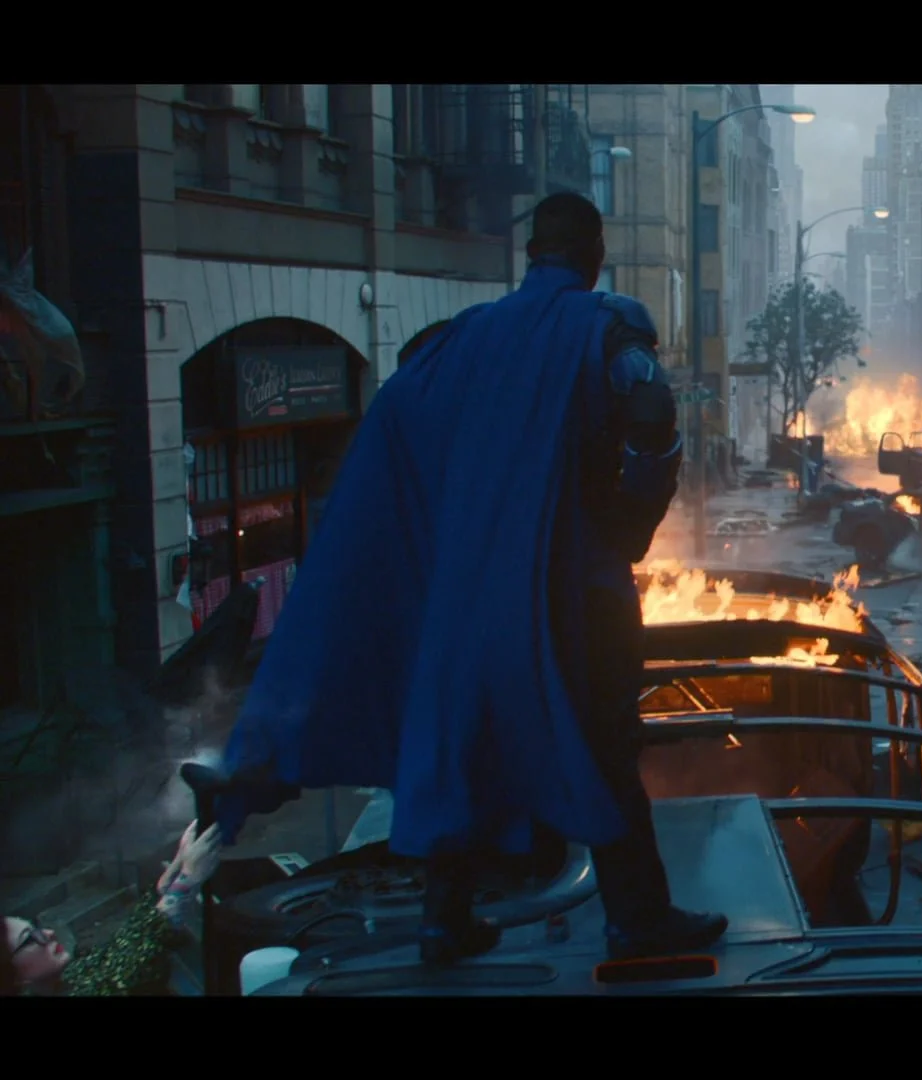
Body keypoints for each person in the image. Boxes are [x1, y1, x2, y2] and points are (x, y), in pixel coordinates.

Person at [212, 191, 726, 967]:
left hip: (468, 604)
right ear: (594, 257)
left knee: (464, 747)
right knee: (607, 748)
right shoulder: (607, 329)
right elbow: (652, 419)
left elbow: (395, 424)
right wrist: (628, 528)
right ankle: (637, 919)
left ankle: (443, 921)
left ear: (530, 255)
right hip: (576, 599)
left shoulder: (460, 339)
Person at [5, 821, 220, 996]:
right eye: (31, 938)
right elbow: (125, 971)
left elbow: (118, 953)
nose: (49, 933)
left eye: (36, 928)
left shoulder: (64, 978)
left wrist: (175, 869)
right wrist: (186, 880)